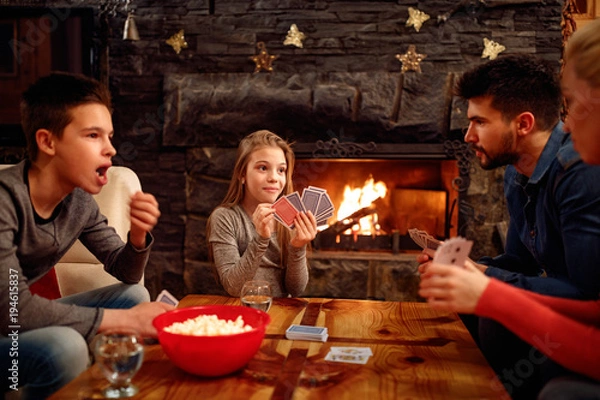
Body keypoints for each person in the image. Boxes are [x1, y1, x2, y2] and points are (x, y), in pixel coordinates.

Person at [419, 21, 600, 400]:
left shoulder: (579, 172)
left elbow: (588, 296)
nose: (566, 123)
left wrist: (489, 285)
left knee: (499, 326)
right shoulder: (517, 176)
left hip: (577, 322)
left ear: (523, 124)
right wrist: (474, 272)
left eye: (478, 123)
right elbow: (521, 263)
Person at [0, 72, 173, 399]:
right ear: (47, 142)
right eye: (93, 135)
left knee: (134, 296)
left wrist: (138, 235)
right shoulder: (5, 201)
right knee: (63, 347)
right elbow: (15, 312)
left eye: (109, 136)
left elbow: (125, 273)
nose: (110, 149)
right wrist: (129, 322)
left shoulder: (78, 201)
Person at [207, 130, 318, 298]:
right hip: (243, 313)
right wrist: (260, 239)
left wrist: (298, 247)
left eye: (281, 170)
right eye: (263, 168)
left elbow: (296, 290)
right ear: (242, 174)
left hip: (282, 312)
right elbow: (234, 287)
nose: (274, 178)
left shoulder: (289, 219)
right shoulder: (225, 218)